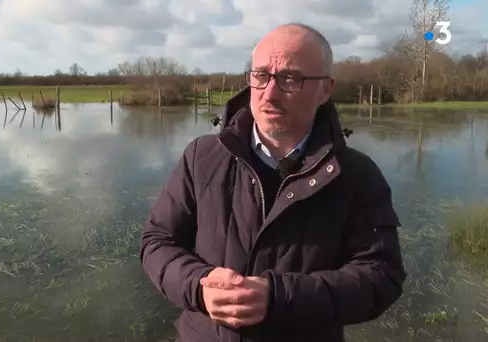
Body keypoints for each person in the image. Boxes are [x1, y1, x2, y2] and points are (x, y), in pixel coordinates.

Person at [139, 23, 406, 342]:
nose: (269, 92)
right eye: (261, 76)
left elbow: (381, 276)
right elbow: (157, 241)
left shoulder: (357, 175)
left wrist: (279, 297)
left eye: (290, 78)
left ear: (325, 89)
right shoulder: (202, 156)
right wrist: (200, 285)